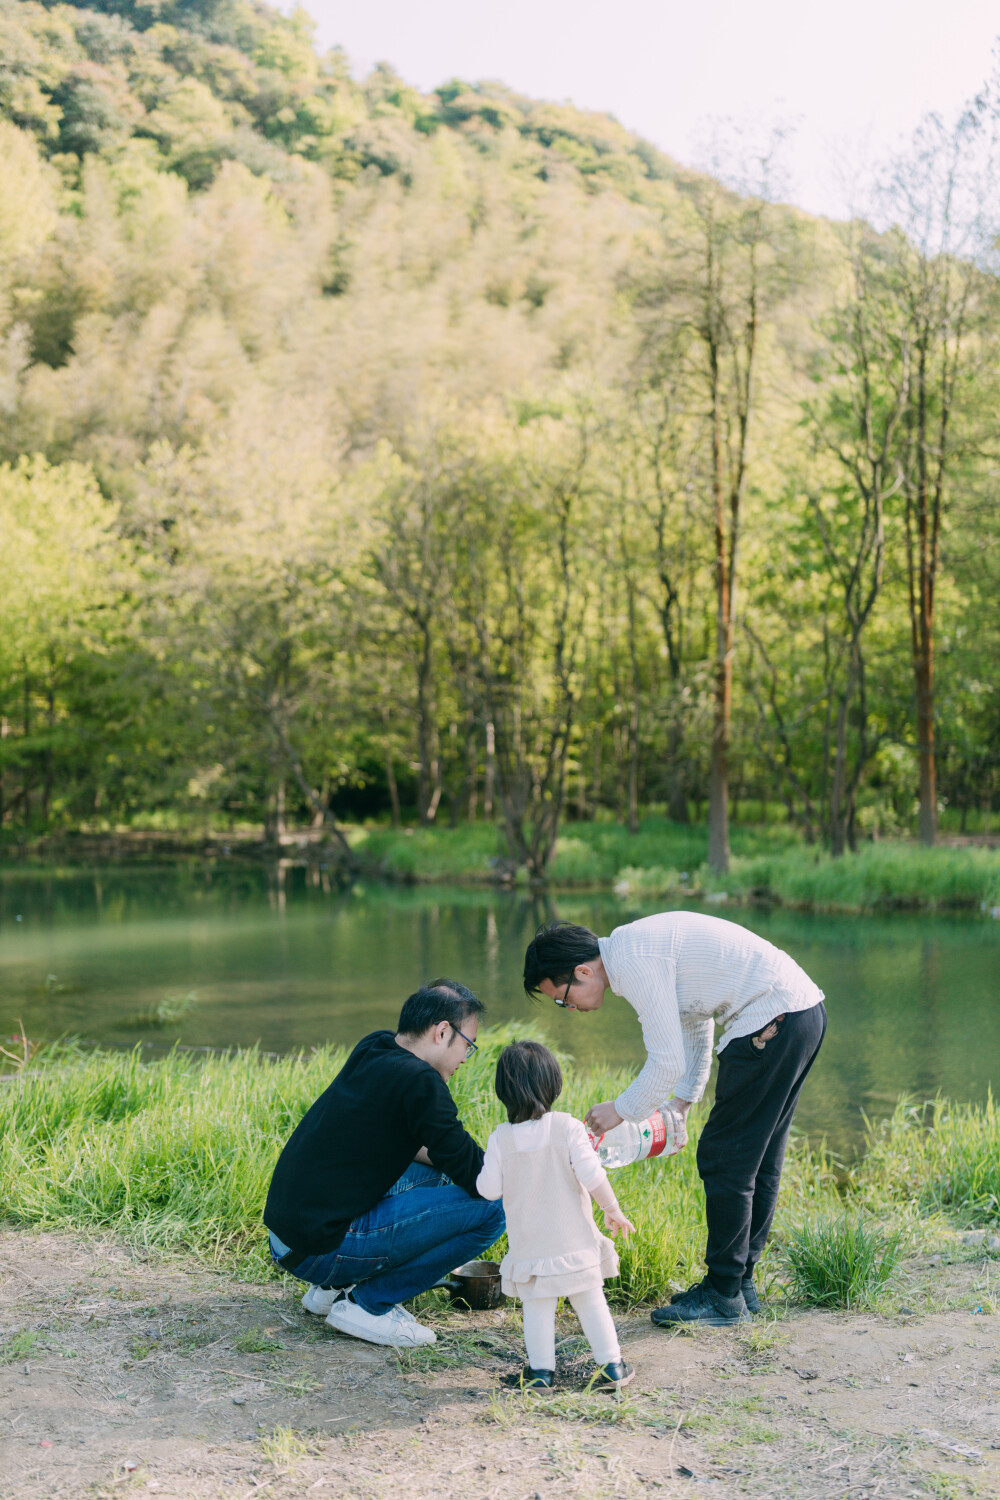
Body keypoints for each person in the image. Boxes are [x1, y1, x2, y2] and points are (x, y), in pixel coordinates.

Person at [523, 913, 827, 1328]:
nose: (567, 1008)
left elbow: (665, 1062)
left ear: (582, 971)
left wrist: (621, 1110)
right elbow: (694, 1021)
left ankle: (723, 1294)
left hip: (770, 1021)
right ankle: (740, 1283)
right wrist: (683, 1101)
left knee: (726, 1159)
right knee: (759, 1157)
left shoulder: (632, 961)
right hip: (799, 1013)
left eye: (562, 998)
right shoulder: (635, 949)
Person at [264, 979, 505, 1348]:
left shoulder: (376, 1045)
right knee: (494, 1210)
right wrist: (531, 1172)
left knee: (438, 1174)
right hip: (319, 1250)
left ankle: (331, 1290)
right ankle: (368, 1304)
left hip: (289, 1237)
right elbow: (479, 1179)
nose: (464, 1059)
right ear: (443, 1032)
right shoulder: (421, 1080)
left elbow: (428, 1151)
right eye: (468, 1045)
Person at [476, 1040, 636, 1390]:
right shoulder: (566, 1126)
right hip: (574, 1242)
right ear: (552, 1085)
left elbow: (488, 1190)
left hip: (531, 1250)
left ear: (504, 1092)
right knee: (591, 1299)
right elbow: (593, 1174)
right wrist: (612, 1210)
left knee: (537, 1308)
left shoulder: (501, 1138)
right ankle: (611, 1366)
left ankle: (541, 1374)